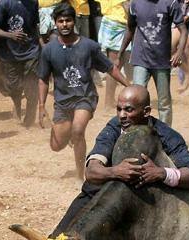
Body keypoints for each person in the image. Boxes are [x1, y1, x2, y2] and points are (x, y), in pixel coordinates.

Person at [55, 84, 189, 231]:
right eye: (119, 109)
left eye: (128, 109)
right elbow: (92, 172)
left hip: (147, 205)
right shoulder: (114, 127)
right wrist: (116, 172)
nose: (121, 115)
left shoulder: (167, 136)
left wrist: (161, 173)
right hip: (109, 196)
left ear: (146, 112)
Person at [37, 3, 130, 180]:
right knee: (56, 146)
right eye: (60, 21)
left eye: (68, 20)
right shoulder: (48, 50)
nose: (65, 24)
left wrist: (128, 84)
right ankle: (68, 134)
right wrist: (41, 106)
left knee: (78, 130)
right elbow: (42, 79)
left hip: (85, 98)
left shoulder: (89, 46)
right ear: (55, 23)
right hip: (62, 102)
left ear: (74, 22)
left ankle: (81, 175)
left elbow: (110, 68)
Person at [118, 0, 187, 125]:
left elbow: (183, 29)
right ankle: (137, 132)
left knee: (164, 102)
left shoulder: (170, 3)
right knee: (136, 98)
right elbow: (130, 29)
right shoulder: (135, 4)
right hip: (141, 59)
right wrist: (120, 53)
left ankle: (165, 135)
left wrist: (179, 52)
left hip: (161, 61)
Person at [0, 0, 40, 127]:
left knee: (31, 85)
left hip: (31, 50)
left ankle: (29, 119)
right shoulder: (4, 4)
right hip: (10, 52)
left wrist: (40, 45)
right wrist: (10, 35)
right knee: (14, 86)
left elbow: (35, 25)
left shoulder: (34, 3)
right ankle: (17, 105)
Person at [98, 0, 133, 110]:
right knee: (114, 66)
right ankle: (108, 103)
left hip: (113, 22)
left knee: (116, 64)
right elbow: (127, 7)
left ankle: (110, 100)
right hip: (117, 25)